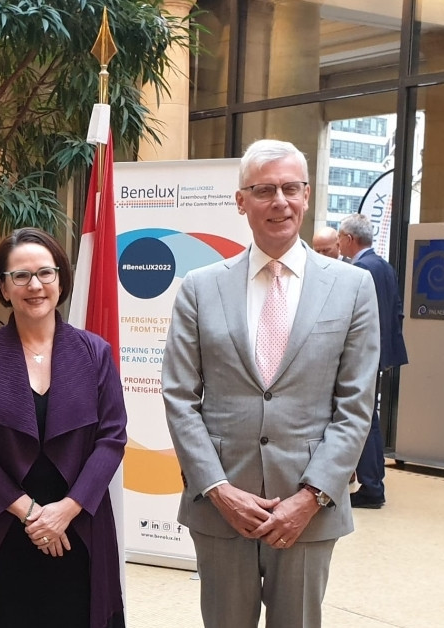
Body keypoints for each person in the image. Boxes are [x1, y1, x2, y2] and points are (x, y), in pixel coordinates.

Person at [162, 139, 380, 627]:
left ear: (306, 195)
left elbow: (356, 404)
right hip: (222, 506)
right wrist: (218, 489)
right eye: (264, 190)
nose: (279, 201)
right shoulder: (201, 287)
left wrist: (311, 497)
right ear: (241, 201)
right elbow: (179, 396)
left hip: (310, 507)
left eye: (290, 188)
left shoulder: (352, 287)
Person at [0, 227, 127, 628]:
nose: (35, 285)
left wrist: (66, 510)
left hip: (78, 524)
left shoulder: (94, 353)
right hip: (2, 526)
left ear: (61, 280)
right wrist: (31, 513)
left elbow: (112, 438)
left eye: (46, 273)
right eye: (21, 276)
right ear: (3, 286)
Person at [338, 213, 408, 509]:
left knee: (361, 418)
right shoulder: (384, 267)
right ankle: (374, 479)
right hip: (381, 352)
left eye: (340, 237)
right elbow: (395, 311)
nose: (339, 242)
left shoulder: (360, 271)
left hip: (364, 354)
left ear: (350, 240)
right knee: (370, 418)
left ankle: (371, 485)